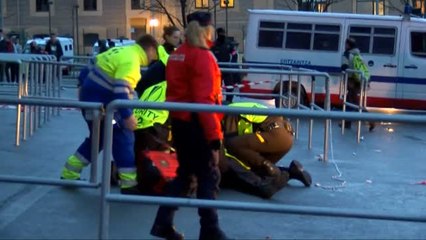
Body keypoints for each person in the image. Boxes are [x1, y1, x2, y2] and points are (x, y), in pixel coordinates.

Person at [150, 12, 229, 240]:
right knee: (208, 176)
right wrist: (214, 138)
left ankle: (163, 223)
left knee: (184, 174)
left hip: (181, 123)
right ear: (207, 30)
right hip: (198, 124)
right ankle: (210, 230)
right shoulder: (203, 57)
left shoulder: (177, 55)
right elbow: (205, 101)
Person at [60, 35, 159, 195]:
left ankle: (70, 173)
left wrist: (81, 86)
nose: (153, 59)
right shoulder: (131, 62)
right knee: (123, 138)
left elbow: (90, 65)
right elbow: (121, 91)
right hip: (106, 108)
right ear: (150, 49)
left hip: (93, 104)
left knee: (98, 139)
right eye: (154, 54)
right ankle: (129, 185)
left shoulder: (119, 51)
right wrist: (128, 116)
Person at [222, 102, 312, 187]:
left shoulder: (230, 112)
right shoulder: (241, 108)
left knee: (231, 145)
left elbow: (231, 143)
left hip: (275, 134)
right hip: (283, 136)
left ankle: (275, 174)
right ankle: (292, 172)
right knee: (257, 169)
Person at [341, 38, 375, 131]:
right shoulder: (358, 54)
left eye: (346, 44)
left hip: (351, 81)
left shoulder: (347, 54)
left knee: (354, 103)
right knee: (349, 101)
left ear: (349, 45)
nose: (345, 45)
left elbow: (344, 68)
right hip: (358, 81)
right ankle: (347, 123)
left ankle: (371, 120)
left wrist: (346, 76)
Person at [211, 28, 240, 104]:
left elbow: (234, 53)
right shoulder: (214, 45)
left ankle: (229, 101)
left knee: (230, 86)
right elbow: (210, 55)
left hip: (227, 68)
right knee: (217, 87)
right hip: (217, 69)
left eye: (223, 33)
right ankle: (217, 101)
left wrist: (233, 63)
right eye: (221, 34)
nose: (222, 35)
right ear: (218, 34)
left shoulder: (228, 43)